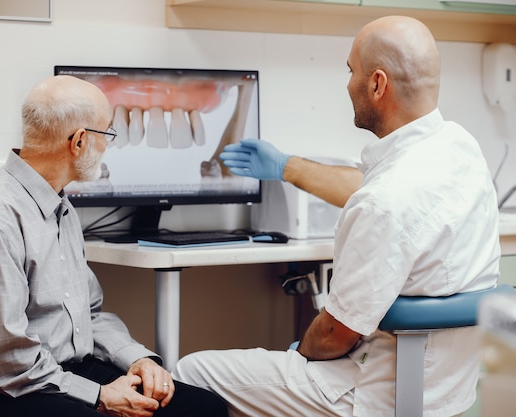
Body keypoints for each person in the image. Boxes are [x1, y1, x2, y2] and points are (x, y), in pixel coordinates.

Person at [171, 15, 501, 417]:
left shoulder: (385, 201)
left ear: (377, 84)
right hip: (448, 390)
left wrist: (302, 351)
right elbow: (378, 190)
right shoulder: (458, 147)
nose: (348, 83)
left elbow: (333, 336)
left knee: (188, 372)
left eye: (351, 71)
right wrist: (286, 166)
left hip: (373, 391)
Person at [0, 75, 228, 417]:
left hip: (60, 373)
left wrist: (138, 358)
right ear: (79, 141)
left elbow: (89, 315)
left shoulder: (59, 206)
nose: (110, 144)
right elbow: (3, 362)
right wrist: (101, 396)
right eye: (108, 134)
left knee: (203, 408)